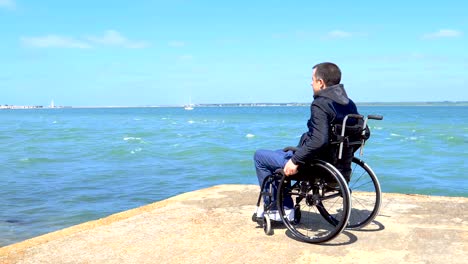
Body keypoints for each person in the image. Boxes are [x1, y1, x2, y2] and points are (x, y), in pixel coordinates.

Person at [253, 62, 360, 220]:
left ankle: (280, 210)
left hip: (314, 165)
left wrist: (296, 160)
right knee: (281, 153)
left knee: (260, 156)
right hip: (338, 165)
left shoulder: (321, 103)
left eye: (312, 79)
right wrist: (343, 154)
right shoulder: (349, 104)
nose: (310, 83)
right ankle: (284, 205)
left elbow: (319, 140)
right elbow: (361, 135)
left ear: (321, 83)